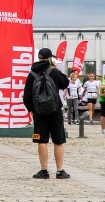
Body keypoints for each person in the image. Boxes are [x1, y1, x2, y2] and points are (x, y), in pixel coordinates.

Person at [22, 48, 70, 179]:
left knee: (41, 141)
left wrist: (32, 110)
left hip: (39, 112)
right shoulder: (53, 71)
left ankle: (43, 171)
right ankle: (60, 171)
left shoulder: (32, 73)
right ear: (49, 58)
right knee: (58, 140)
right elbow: (65, 83)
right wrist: (56, 69)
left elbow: (26, 96)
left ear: (39, 58)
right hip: (55, 110)